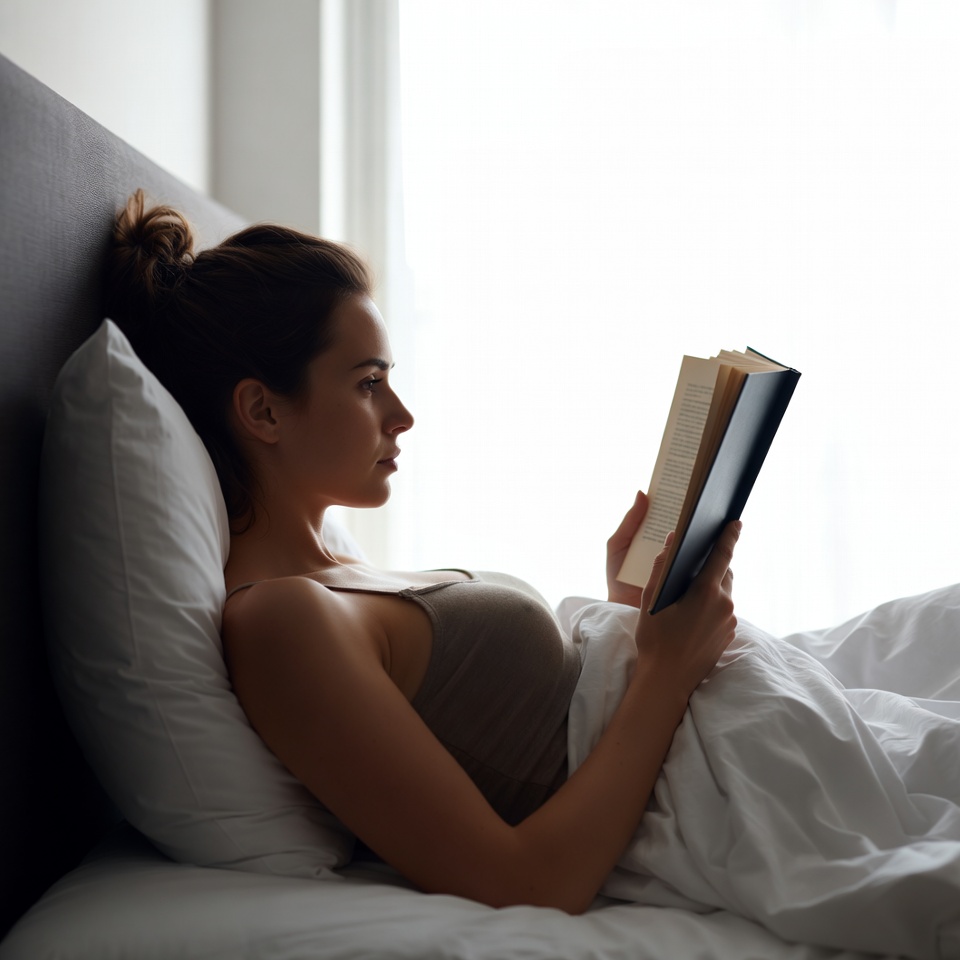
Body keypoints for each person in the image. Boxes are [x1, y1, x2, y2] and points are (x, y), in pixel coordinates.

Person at [104, 189, 739, 914]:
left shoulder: (337, 576)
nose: (402, 416)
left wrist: (630, 617)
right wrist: (662, 671)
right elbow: (526, 882)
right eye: (369, 383)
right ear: (263, 410)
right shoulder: (279, 624)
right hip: (713, 786)